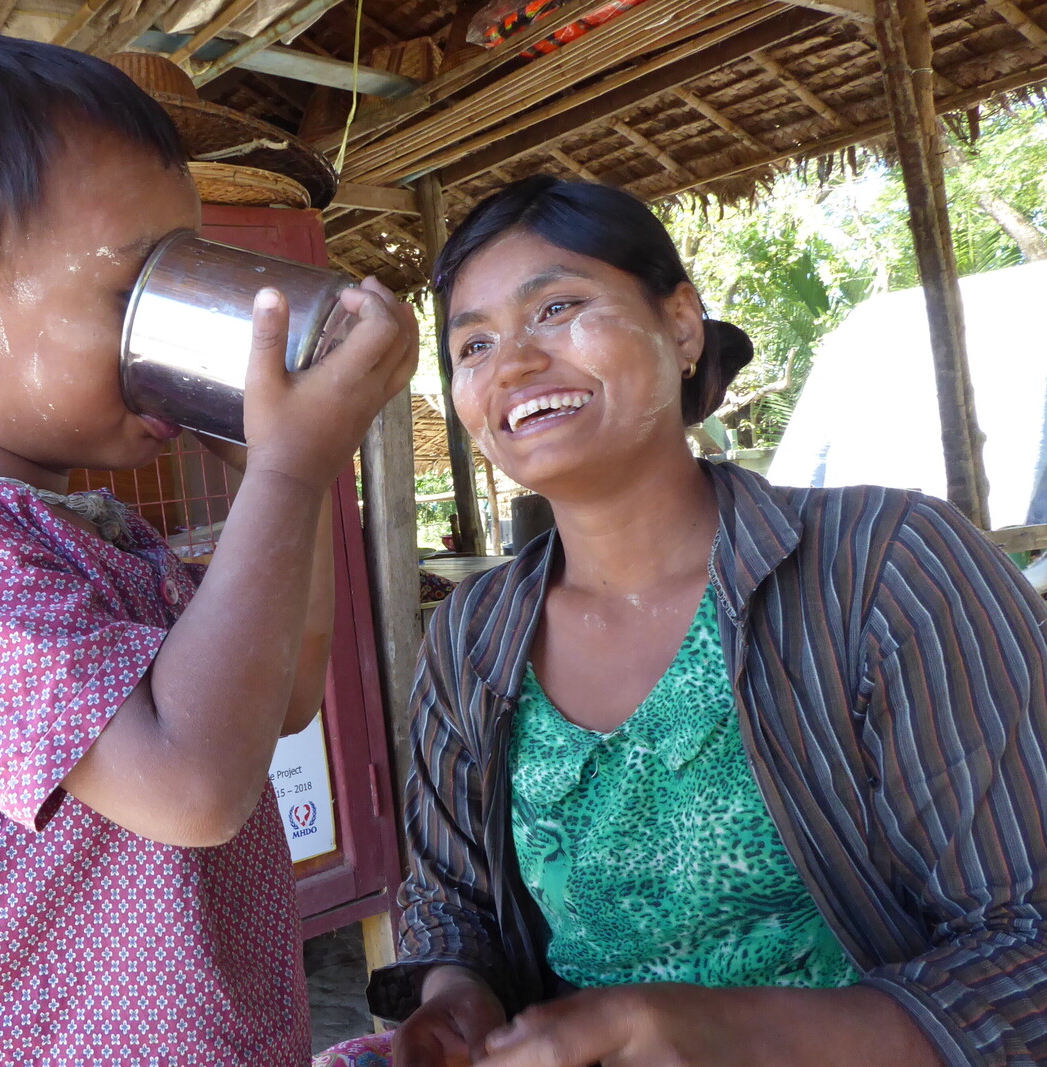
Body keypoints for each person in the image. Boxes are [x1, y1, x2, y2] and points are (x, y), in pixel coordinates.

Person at [0, 30, 417, 1066]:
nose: (170, 325)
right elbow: (190, 783)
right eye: (136, 290)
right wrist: (286, 470)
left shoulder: (102, 535)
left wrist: (293, 470)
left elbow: (289, 688)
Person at [368, 175, 1047, 1067]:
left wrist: (711, 1031)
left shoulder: (885, 568)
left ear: (682, 325)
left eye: (559, 306)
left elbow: (1026, 946)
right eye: (474, 344)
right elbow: (450, 893)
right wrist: (458, 996)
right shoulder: (474, 634)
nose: (513, 363)